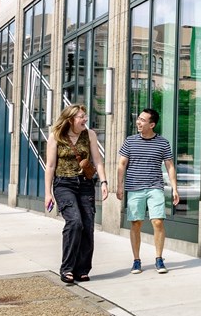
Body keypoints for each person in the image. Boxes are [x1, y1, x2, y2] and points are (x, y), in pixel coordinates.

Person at [44, 104, 108, 285]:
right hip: (64, 184)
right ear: (71, 119)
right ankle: (67, 268)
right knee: (74, 222)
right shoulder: (56, 136)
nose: (85, 119)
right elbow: (50, 166)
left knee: (87, 226)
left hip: (85, 185)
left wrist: (104, 182)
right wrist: (48, 193)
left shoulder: (90, 135)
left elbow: (98, 160)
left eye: (85, 116)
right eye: (81, 117)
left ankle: (82, 269)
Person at [116, 108, 179, 274]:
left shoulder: (163, 143)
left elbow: (170, 165)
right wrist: (119, 186)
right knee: (136, 223)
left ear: (152, 125)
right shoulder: (130, 141)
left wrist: (174, 188)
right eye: (138, 119)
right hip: (134, 187)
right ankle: (136, 260)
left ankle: (159, 258)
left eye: (142, 120)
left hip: (155, 187)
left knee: (158, 221)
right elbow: (122, 164)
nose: (138, 122)